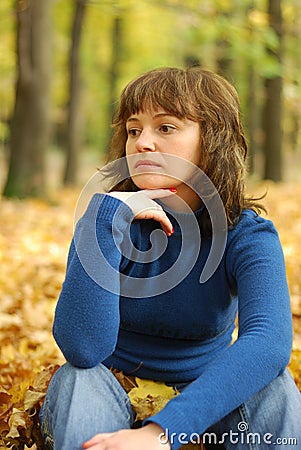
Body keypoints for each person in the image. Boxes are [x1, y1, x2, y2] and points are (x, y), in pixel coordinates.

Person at [40, 67, 301, 450]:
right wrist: (104, 219)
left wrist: (162, 432)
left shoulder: (247, 235)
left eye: (165, 128)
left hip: (207, 397)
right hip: (112, 385)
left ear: (211, 140)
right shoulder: (108, 221)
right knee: (77, 380)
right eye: (134, 130)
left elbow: (268, 343)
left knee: (277, 390)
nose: (142, 143)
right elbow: (83, 349)